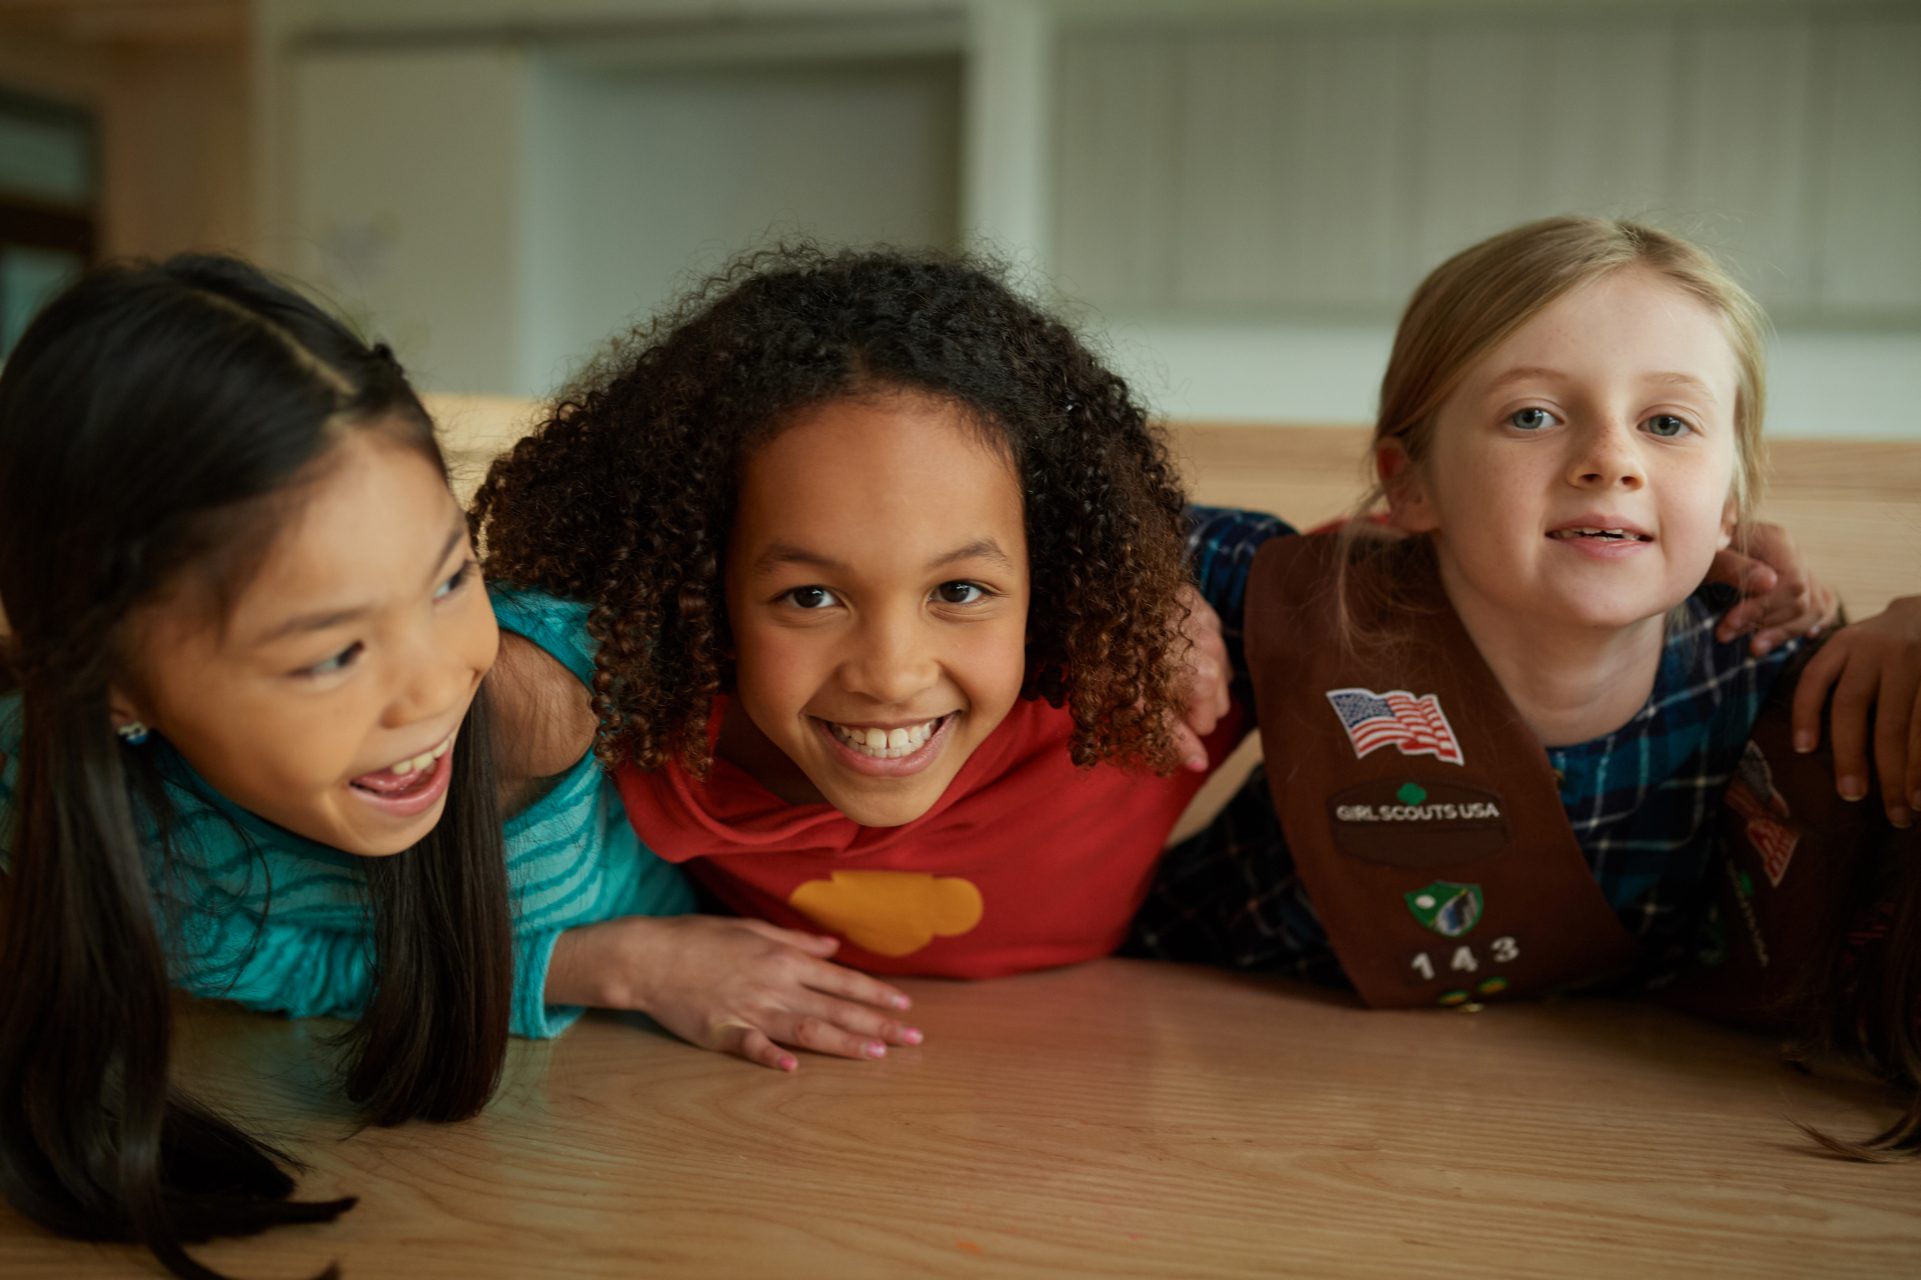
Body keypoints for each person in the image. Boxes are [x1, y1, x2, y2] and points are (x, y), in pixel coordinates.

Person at [0, 255, 911, 1276]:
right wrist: (612, 962)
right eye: (332, 652)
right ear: (115, 684)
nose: (433, 686)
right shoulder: (88, 822)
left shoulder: (541, 698)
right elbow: (291, 963)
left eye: (448, 577)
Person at [1129, 215, 1921, 1155]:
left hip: (1574, 1118)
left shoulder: (1770, 675)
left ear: (1731, 507)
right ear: (1408, 484)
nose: (1610, 459)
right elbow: (1032, 493)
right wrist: (1137, 579)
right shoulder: (1312, 596)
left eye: (1667, 423)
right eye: (1532, 415)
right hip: (1202, 1053)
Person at [472, 246, 1248, 1012]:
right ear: (696, 588)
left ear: (1054, 575)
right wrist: (612, 968)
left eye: (959, 589)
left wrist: (1170, 580)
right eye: (810, 597)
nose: (891, 672)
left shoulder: (1158, 660)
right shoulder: (620, 698)